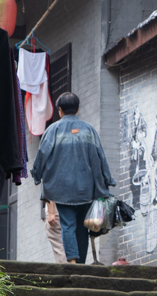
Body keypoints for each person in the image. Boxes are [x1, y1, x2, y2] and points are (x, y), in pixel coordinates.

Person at [31, 92, 116, 264]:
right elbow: (100, 156)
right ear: (78, 109)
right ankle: (81, 265)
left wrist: (37, 175)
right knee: (82, 228)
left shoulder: (52, 130)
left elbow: (42, 156)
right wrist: (107, 180)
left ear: (60, 110)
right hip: (86, 189)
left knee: (68, 225)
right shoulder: (89, 130)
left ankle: (72, 263)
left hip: (61, 189)